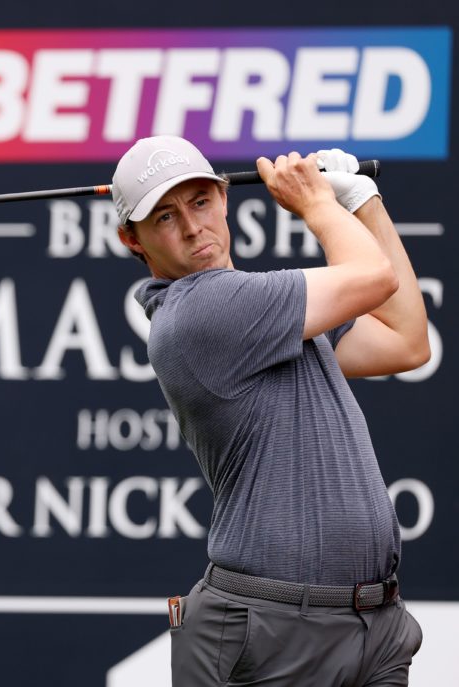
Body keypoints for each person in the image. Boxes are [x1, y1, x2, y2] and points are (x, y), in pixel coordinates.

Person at [112, 136, 428, 685]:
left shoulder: (264, 309)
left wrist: (364, 202)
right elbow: (375, 278)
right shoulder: (199, 311)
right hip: (274, 631)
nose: (191, 228)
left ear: (224, 196)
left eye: (200, 202)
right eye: (165, 216)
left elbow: (406, 342)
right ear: (132, 240)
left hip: (370, 625)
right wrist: (323, 203)